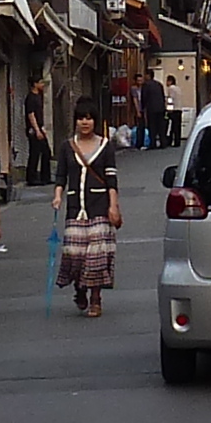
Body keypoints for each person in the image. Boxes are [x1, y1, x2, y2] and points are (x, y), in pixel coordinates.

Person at [58, 112, 121, 317]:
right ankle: (80, 288)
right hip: (76, 208)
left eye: (89, 118)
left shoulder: (105, 146)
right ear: (75, 121)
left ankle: (96, 299)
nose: (85, 122)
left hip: (100, 207)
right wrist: (57, 196)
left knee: (97, 256)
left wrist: (113, 206)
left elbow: (111, 178)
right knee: (75, 254)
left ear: (96, 121)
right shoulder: (67, 146)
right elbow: (61, 176)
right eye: (80, 118)